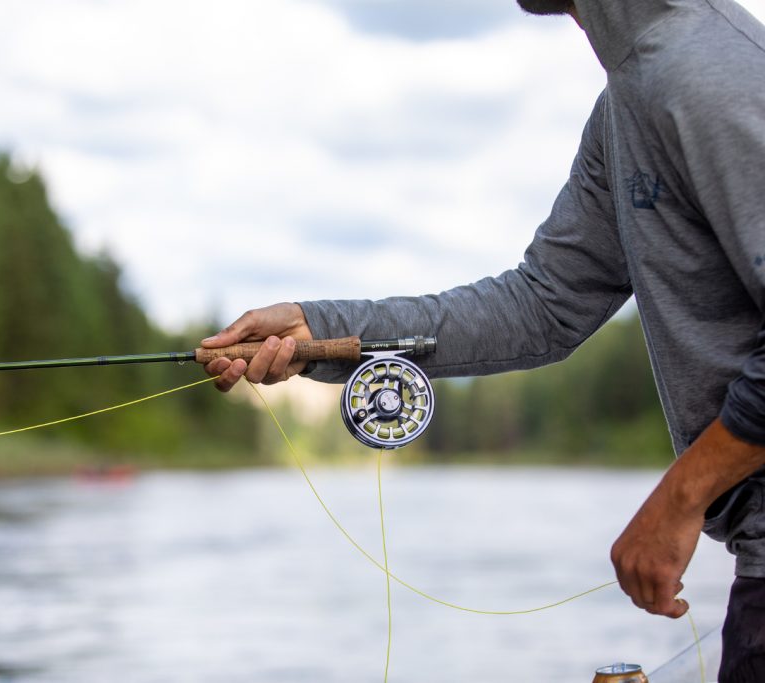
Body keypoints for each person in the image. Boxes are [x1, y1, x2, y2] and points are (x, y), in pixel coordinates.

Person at [200, 0, 765, 680]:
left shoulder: (709, 70)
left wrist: (680, 497)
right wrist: (320, 327)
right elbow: (542, 305)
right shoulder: (629, 99)